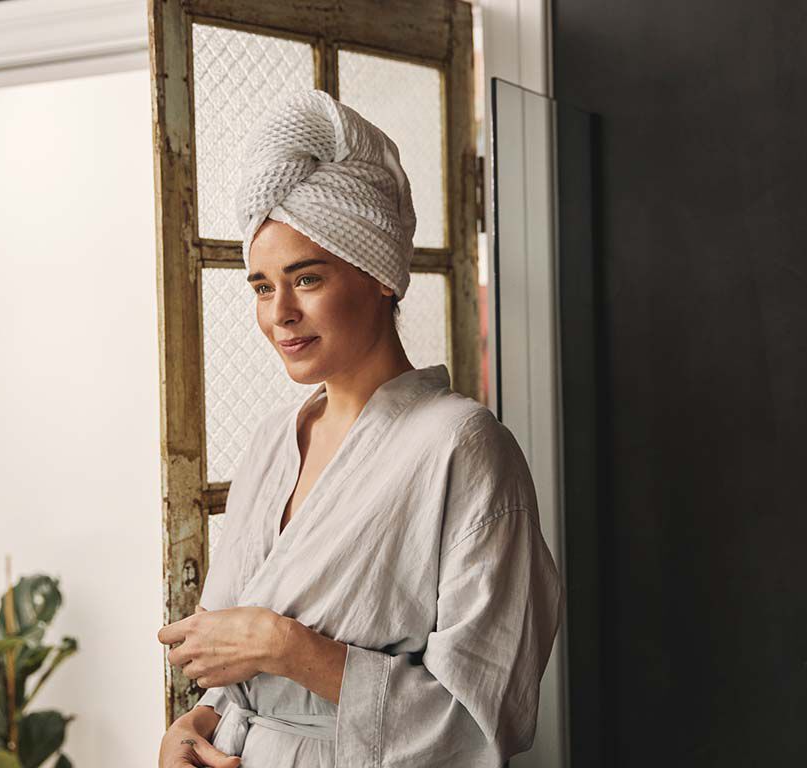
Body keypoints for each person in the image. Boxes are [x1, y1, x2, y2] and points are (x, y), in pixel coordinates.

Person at [156, 89, 563, 768]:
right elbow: (239, 672)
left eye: (305, 278)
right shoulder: (271, 444)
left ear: (379, 276)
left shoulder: (462, 447)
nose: (280, 314)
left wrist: (288, 645)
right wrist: (195, 724)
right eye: (261, 287)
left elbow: (484, 717)